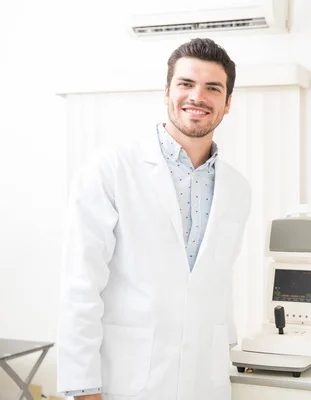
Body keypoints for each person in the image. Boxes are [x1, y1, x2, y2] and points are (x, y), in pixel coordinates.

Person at [57, 38, 251, 400]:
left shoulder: (238, 189)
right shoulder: (111, 168)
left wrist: (228, 352)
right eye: (186, 84)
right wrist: (82, 387)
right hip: (128, 380)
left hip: (204, 383)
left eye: (213, 88)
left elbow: (218, 283)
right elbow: (81, 285)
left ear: (227, 105)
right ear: (166, 92)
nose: (198, 96)